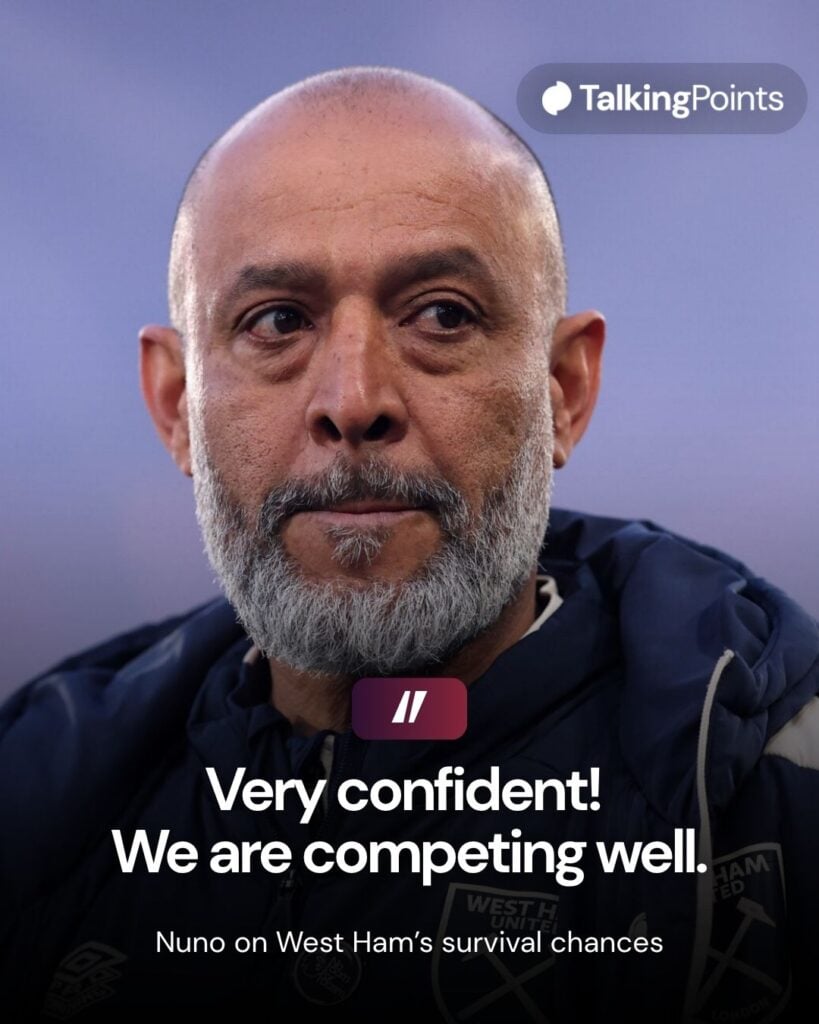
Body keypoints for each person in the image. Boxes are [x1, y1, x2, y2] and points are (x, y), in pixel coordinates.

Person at [1, 66, 817, 1024]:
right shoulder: (36, 794)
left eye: (441, 314)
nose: (354, 401)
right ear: (177, 405)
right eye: (277, 322)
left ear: (564, 389)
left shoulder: (773, 780)